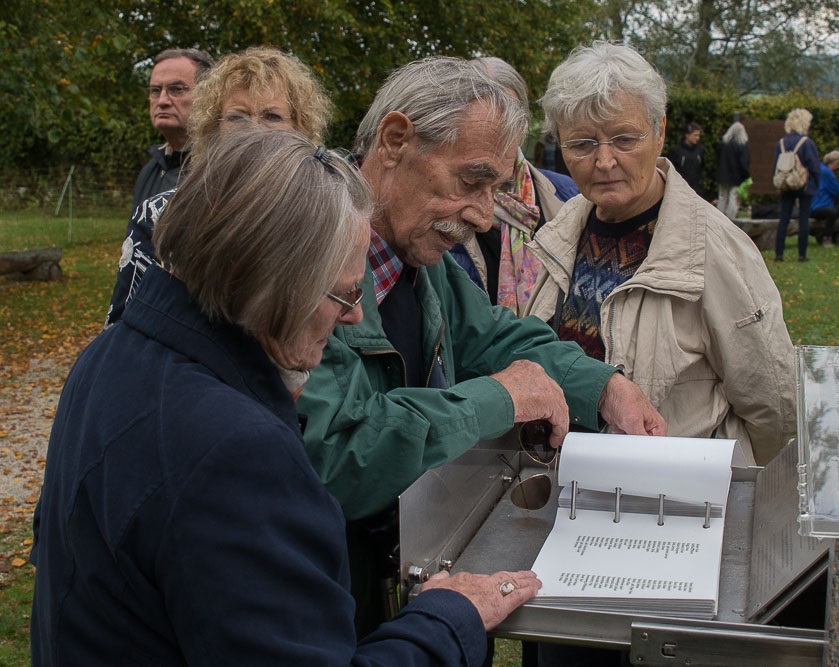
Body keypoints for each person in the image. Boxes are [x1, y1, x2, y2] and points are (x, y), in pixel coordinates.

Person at [32, 125, 541, 666]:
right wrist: (449, 617)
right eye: (343, 294)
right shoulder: (237, 452)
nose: (355, 316)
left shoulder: (110, 355)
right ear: (273, 281)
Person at [294, 56, 666, 636]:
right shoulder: (303, 261)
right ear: (395, 140)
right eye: (471, 181)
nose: (486, 216)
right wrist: (498, 398)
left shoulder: (418, 258)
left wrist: (603, 386)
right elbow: (337, 456)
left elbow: (493, 335)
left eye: (496, 188)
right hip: (324, 603)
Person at [523, 41, 796, 666]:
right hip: (568, 526)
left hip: (673, 538)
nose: (604, 161)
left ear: (660, 131)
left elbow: (773, 404)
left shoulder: (714, 250)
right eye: (582, 144)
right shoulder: (557, 233)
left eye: (624, 138)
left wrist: (720, 501)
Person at [105, 47, 332, 328]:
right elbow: (122, 325)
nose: (254, 130)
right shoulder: (160, 214)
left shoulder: (324, 215)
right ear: (214, 129)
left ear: (300, 128)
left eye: (272, 117)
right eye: (238, 117)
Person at [450, 56, 579, 315]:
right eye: (483, 115)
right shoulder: (441, 201)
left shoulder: (567, 196)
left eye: (509, 115)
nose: (497, 129)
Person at [132, 48, 214, 213]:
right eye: (155, 91)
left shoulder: (219, 171)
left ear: (208, 95)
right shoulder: (151, 171)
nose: (162, 101)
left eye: (177, 89)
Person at [773, 108, 822, 262]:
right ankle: (801, 254)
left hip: (786, 183)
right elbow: (814, 166)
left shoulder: (781, 143)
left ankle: (779, 253)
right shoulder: (806, 143)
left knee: (784, 219)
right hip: (803, 184)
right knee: (803, 219)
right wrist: (815, 183)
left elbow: (776, 165)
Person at [810, 150, 839, 247]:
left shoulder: (821, 168)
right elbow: (837, 190)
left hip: (823, 204)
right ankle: (828, 237)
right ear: (836, 162)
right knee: (833, 212)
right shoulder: (827, 172)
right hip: (817, 206)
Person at [715, 117, 750, 219]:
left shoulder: (723, 144)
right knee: (733, 197)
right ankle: (731, 219)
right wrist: (746, 176)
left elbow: (717, 158)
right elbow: (743, 163)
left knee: (722, 197)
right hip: (736, 177)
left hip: (722, 175)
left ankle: (719, 218)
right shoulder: (742, 146)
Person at [665, 121, 706, 198]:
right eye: (695, 135)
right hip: (680, 189)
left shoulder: (700, 150)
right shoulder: (676, 151)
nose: (697, 138)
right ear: (687, 135)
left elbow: (701, 167)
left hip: (696, 188)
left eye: (698, 135)